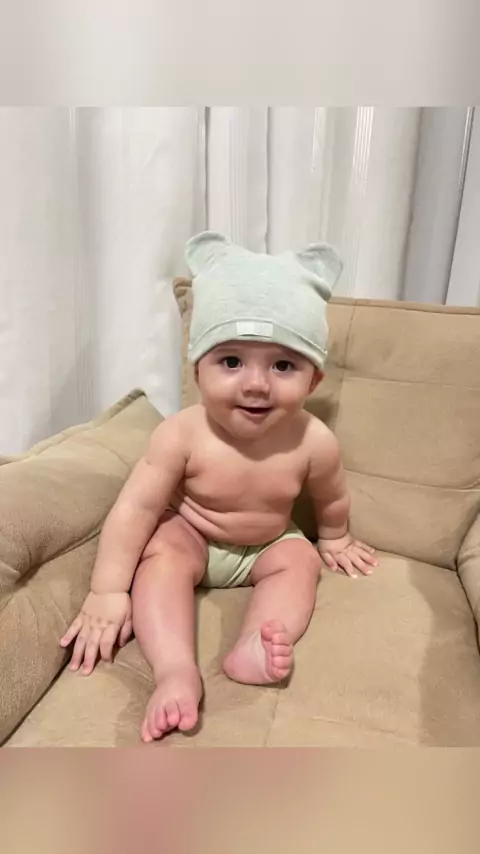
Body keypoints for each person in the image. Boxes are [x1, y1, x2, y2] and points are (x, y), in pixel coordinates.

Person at [60, 231, 377, 743]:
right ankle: (175, 670)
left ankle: (253, 645)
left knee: (300, 561)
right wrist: (107, 590)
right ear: (198, 368)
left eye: (283, 365)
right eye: (231, 361)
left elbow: (331, 496)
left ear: (313, 381)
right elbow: (136, 508)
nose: (256, 384)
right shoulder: (181, 434)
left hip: (267, 544)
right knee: (162, 552)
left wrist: (335, 537)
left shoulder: (314, 441)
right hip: (194, 534)